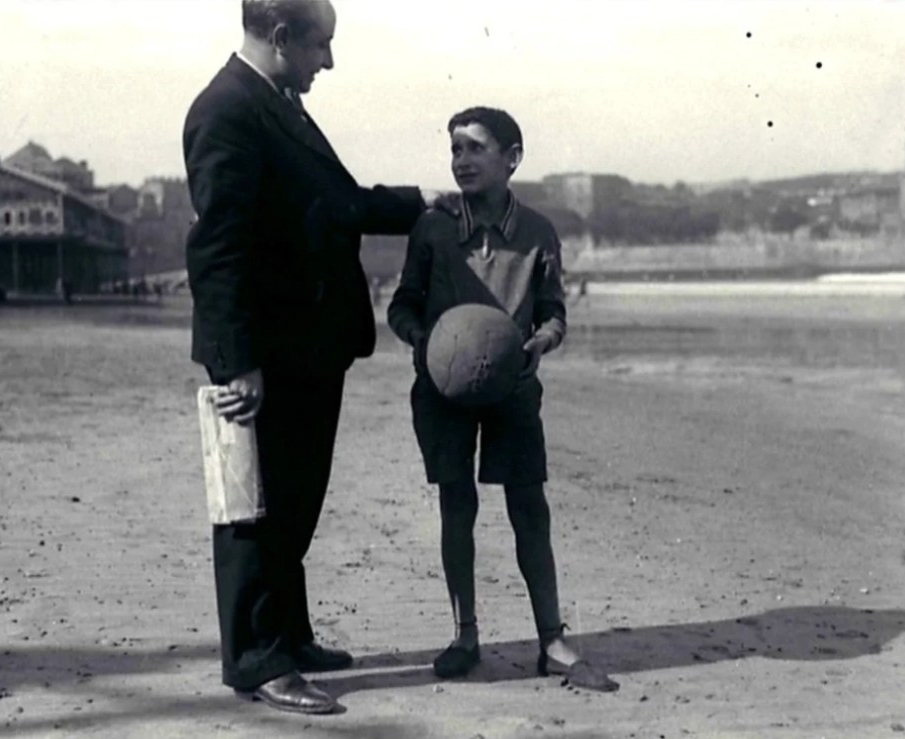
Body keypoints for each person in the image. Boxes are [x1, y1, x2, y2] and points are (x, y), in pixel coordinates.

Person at [183, 0, 454, 715]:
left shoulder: (272, 102)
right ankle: (258, 660)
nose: (327, 62)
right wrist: (236, 360)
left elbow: (334, 203)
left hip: (306, 347)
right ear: (280, 37)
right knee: (257, 510)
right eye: (320, 47)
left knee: (294, 502)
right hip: (263, 355)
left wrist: (418, 203)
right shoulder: (228, 111)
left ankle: (290, 636)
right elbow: (217, 249)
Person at [387, 107, 620, 692]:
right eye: (455, 149)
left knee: (529, 507)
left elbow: (554, 311)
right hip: (442, 391)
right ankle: (465, 635)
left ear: (512, 158)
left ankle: (551, 639)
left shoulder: (539, 232)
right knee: (456, 505)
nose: (461, 159)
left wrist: (542, 341)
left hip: (513, 387)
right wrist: (426, 342)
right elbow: (401, 305)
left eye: (475, 148)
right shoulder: (434, 228)